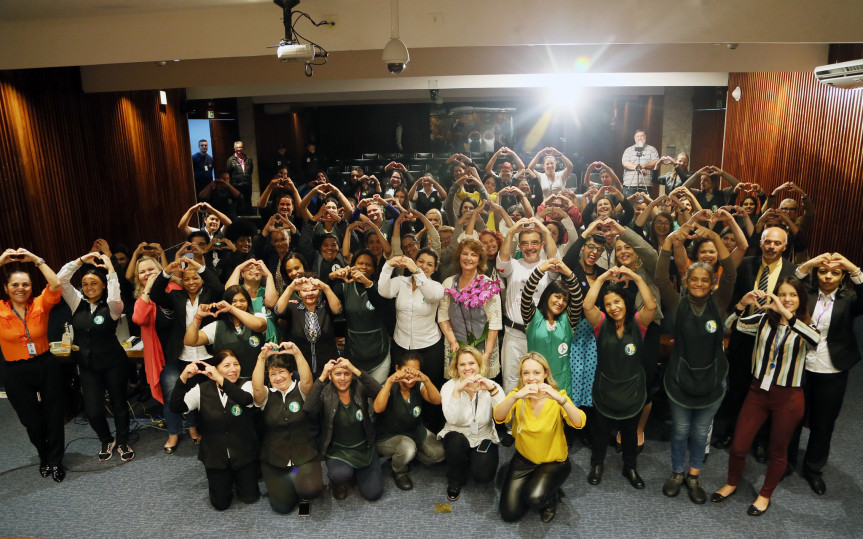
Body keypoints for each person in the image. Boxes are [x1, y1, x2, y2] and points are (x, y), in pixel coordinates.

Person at [712, 276, 820, 516]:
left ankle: (765, 494)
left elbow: (815, 341)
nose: (787, 299)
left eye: (793, 295)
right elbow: (729, 325)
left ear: (800, 299)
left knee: (777, 450)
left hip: (789, 397)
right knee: (739, 446)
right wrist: (742, 304)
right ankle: (731, 483)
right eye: (782, 294)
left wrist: (786, 314)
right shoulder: (763, 320)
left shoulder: (806, 327)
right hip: (758, 392)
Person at [655, 224, 737, 504]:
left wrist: (713, 236)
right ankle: (677, 473)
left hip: (712, 382)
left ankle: (693, 476)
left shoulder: (720, 303)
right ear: (687, 282)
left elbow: (731, 272)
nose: (700, 284)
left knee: (701, 433)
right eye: (694, 280)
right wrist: (668, 242)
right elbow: (660, 278)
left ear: (712, 281)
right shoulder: (678, 305)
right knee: (680, 431)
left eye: (705, 280)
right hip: (680, 381)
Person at [714, 227, 797, 449]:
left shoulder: (793, 271)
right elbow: (732, 295)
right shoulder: (746, 264)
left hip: (774, 339)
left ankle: (761, 441)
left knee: (768, 390)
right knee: (738, 386)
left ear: (784, 247)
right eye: (767, 242)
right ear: (760, 243)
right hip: (744, 334)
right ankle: (732, 432)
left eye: (776, 243)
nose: (771, 246)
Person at [787, 253, 863, 495]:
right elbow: (786, 286)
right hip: (800, 364)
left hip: (832, 367)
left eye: (834, 273)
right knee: (793, 418)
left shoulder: (849, 298)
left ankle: (813, 468)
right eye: (823, 271)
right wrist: (808, 264)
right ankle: (786, 462)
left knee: (824, 422)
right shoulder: (805, 294)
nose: (828, 276)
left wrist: (853, 268)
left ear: (842, 277)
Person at [582, 264, 657, 488]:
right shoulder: (600, 323)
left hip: (632, 391)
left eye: (617, 301)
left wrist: (634, 276)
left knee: (630, 434)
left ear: (625, 302)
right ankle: (597, 465)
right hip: (605, 389)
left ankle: (630, 467)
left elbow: (651, 304)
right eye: (608, 304)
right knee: (600, 432)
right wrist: (604, 277)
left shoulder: (639, 323)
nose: (613, 307)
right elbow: (587, 305)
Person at [57, 252, 134, 462]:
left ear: (103, 285)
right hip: (88, 366)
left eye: (94, 283)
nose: (89, 287)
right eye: (85, 283)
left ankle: (123, 440)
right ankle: (106, 439)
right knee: (93, 410)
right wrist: (80, 261)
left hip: (113, 363)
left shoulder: (112, 307)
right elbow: (60, 279)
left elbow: (115, 296)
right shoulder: (76, 302)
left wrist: (109, 268)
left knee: (119, 405)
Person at [494, 352, 586, 523]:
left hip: (553, 462)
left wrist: (560, 399)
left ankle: (550, 498)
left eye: (536, 372)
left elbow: (579, 422)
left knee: (534, 498)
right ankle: (540, 484)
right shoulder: (517, 395)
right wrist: (514, 397)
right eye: (526, 373)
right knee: (509, 514)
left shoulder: (558, 397)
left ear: (545, 374)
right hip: (524, 460)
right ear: (521, 375)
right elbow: (499, 417)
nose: (531, 378)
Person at [0, 248, 65, 481]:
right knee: (31, 420)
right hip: (15, 371)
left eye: (25, 284)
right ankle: (44, 456)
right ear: (6, 288)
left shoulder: (40, 304)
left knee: (54, 414)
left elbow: (55, 283)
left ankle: (56, 460)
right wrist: (1, 261)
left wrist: (37, 260)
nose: (21, 288)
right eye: (15, 285)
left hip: (45, 364)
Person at [169, 350, 260, 511]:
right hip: (215, 456)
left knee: (250, 498)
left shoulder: (246, 385)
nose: (233, 369)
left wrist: (220, 379)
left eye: (236, 364)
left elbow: (245, 400)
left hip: (243, 454)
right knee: (220, 504)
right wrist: (183, 378)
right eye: (226, 365)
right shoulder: (201, 389)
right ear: (215, 368)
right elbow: (176, 407)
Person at [149, 257, 225, 445]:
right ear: (182, 281)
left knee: (210, 397)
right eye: (187, 279)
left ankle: (210, 432)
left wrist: (199, 267)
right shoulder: (176, 297)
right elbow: (156, 293)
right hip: (181, 356)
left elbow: (217, 285)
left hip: (208, 355)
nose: (191, 282)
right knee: (177, 393)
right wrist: (167, 272)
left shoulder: (211, 294)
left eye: (195, 278)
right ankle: (175, 433)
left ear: (201, 279)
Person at [251, 342, 323, 514]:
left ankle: (299, 481)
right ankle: (288, 484)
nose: (278, 377)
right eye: (272, 374)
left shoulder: (301, 390)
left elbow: (308, 380)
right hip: (274, 460)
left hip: (304, 457)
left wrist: (297, 353)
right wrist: (261, 359)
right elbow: (256, 387)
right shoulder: (266, 395)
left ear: (291, 372)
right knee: (282, 507)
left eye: (281, 372)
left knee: (310, 490)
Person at [378, 251, 446, 429]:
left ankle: (431, 429)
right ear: (413, 261)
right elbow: (383, 291)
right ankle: (403, 427)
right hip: (402, 345)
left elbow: (432, 296)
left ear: (434, 268)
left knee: (430, 388)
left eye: (429, 264)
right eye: (420, 261)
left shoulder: (436, 286)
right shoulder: (401, 282)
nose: (424, 266)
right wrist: (388, 265)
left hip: (429, 346)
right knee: (402, 387)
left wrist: (417, 272)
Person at [305, 357, 384, 501]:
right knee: (340, 475)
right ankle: (338, 483)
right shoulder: (325, 391)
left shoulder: (359, 386)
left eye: (347, 374)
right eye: (337, 374)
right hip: (338, 450)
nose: (342, 378)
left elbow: (379, 392)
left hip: (364, 448)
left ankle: (356, 472)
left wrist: (355, 369)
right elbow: (309, 407)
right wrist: (322, 377)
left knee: (374, 494)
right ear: (330, 376)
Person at [131, 253, 186, 453]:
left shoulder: (175, 288)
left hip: (187, 350)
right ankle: (174, 432)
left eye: (151, 269)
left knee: (195, 391)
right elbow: (138, 318)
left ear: (160, 269)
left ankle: (195, 429)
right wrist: (148, 288)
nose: (147, 273)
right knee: (171, 395)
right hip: (164, 356)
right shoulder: (142, 298)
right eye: (142, 272)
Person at [497, 218, 558, 396]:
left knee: (540, 380)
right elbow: (501, 263)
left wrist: (546, 231)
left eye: (534, 243)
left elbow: (556, 264)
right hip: (514, 334)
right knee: (510, 378)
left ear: (542, 244)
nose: (529, 247)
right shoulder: (513, 266)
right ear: (519, 247)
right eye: (524, 244)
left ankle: (538, 421)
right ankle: (511, 423)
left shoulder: (547, 266)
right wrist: (511, 232)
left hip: (541, 334)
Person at [438, 346, 505, 502]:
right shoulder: (448, 387)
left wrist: (492, 391)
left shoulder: (491, 385)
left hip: (483, 435)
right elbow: (453, 420)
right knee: (456, 441)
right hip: (456, 433)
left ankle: (469, 459)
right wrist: (457, 391)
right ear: (456, 367)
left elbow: (505, 416)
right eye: (462, 364)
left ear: (479, 365)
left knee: (484, 476)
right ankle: (455, 477)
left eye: (471, 363)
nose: (467, 368)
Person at [373, 352, 445, 490]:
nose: (411, 376)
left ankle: (408, 455)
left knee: (439, 453)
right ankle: (399, 471)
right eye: (406, 371)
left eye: (415, 371)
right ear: (397, 369)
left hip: (415, 432)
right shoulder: (389, 387)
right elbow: (377, 408)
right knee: (407, 448)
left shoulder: (419, 385)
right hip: (389, 436)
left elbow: (437, 400)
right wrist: (389, 381)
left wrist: (426, 379)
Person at [438, 238, 503, 379]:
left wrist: (487, 353)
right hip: (456, 346)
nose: (468, 258)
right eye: (465, 253)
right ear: (459, 256)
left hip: (482, 349)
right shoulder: (448, 283)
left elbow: (495, 322)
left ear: (480, 260)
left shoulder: (488, 285)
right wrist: (453, 342)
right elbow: (442, 316)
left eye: (473, 255)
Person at [520, 258, 583, 397]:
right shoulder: (532, 316)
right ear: (548, 295)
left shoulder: (568, 319)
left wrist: (567, 273)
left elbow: (578, 298)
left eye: (565, 300)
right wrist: (541, 269)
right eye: (557, 296)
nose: (560, 302)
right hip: (535, 382)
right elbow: (526, 294)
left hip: (562, 383)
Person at [329, 249, 391, 383]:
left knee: (377, 391)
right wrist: (332, 277)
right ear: (353, 266)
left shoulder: (381, 288)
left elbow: (380, 305)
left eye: (368, 264)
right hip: (354, 351)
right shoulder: (343, 287)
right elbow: (329, 306)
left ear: (374, 268)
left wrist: (367, 283)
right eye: (360, 263)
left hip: (379, 350)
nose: (363, 267)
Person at [183, 285, 268, 377]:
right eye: (233, 301)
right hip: (226, 382)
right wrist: (198, 317)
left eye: (242, 300)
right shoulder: (216, 326)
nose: (238, 304)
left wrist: (231, 309)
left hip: (255, 381)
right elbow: (190, 341)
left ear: (248, 302)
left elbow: (258, 325)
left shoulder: (258, 316)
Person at [274, 273, 342, 376]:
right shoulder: (293, 306)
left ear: (319, 291)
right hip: (299, 368)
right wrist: (291, 288)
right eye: (305, 291)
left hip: (328, 367)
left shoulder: (326, 306)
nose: (309, 293)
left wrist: (326, 287)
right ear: (299, 293)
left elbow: (338, 310)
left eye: (314, 289)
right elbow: (278, 311)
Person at [621, 129, 659, 195]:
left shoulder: (652, 149)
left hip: (646, 184)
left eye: (642, 136)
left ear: (645, 137)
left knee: (645, 205)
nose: (640, 138)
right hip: (630, 184)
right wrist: (638, 168)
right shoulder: (628, 150)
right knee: (628, 204)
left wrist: (643, 166)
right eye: (637, 136)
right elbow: (625, 163)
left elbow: (656, 162)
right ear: (634, 138)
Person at [227, 140, 253, 211]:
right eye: (237, 147)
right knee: (239, 203)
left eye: (240, 147)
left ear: (243, 148)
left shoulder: (248, 159)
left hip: (247, 185)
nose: (239, 149)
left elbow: (250, 171)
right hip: (236, 186)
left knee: (248, 203)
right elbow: (228, 172)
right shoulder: (230, 160)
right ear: (234, 148)